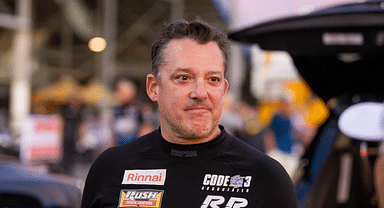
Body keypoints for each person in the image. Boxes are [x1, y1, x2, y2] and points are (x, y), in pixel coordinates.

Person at [81, 19, 298, 208]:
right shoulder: (110, 169)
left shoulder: (267, 178)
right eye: (184, 78)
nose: (200, 93)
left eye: (212, 79)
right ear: (153, 88)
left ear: (223, 89)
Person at [112, 78, 153, 145]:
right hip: (119, 145)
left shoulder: (140, 107)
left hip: (135, 144)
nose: (118, 94)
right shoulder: (117, 109)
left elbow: (146, 127)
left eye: (120, 91)